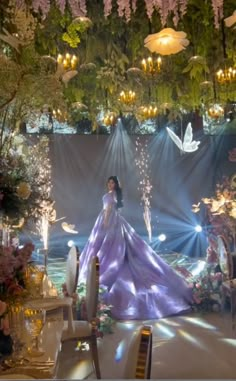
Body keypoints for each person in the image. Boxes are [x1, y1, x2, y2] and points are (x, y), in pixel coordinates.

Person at [79, 176, 192, 320]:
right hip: (117, 221)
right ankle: (119, 259)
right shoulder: (116, 196)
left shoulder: (108, 196)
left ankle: (108, 265)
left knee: (105, 246)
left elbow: (107, 209)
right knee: (115, 245)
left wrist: (106, 223)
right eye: (109, 182)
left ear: (115, 184)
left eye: (112, 182)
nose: (110, 184)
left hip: (109, 221)